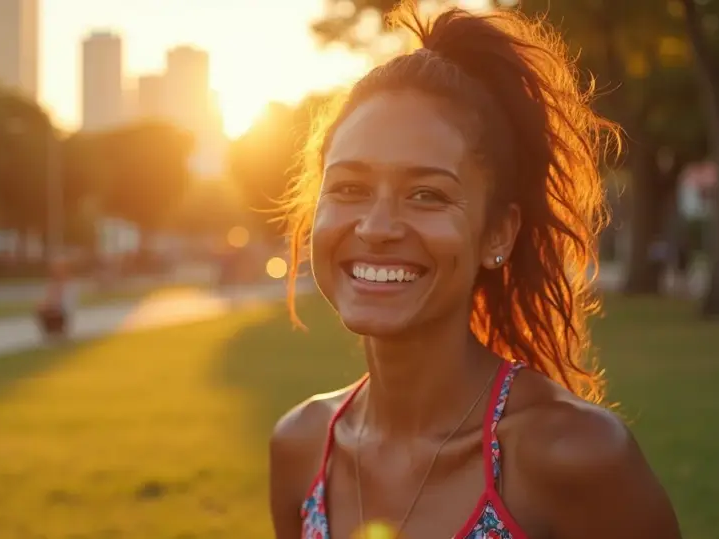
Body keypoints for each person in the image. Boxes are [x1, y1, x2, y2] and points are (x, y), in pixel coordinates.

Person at [269, 6, 681, 539]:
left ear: (497, 234)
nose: (376, 227)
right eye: (349, 188)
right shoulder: (301, 447)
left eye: (427, 194)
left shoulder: (574, 456)